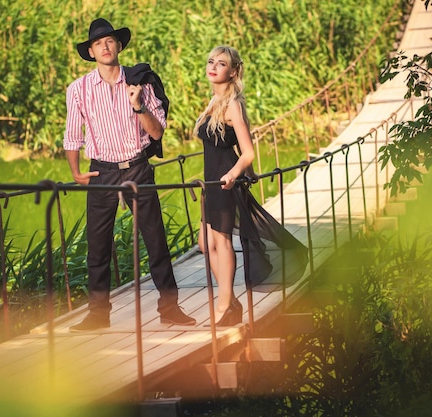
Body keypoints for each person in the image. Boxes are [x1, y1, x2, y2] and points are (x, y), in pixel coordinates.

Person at [63, 18, 196, 331]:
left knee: (155, 240)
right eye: (99, 43)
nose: (105, 47)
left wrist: (138, 106)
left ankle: (170, 308)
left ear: (119, 46)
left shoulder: (140, 83)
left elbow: (157, 131)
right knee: (97, 245)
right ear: (92, 52)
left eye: (110, 41)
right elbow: (72, 135)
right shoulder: (78, 89)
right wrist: (76, 172)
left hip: (136, 166)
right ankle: (97, 314)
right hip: (101, 170)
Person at [195, 46, 308, 326]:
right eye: (211, 62)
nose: (213, 67)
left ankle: (225, 305)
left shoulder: (233, 105)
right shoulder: (213, 101)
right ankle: (230, 302)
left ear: (233, 71)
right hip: (211, 183)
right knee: (204, 244)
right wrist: (249, 175)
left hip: (225, 182)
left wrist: (235, 175)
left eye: (221, 64)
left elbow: (247, 151)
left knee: (221, 241)